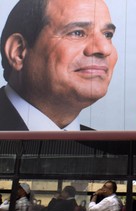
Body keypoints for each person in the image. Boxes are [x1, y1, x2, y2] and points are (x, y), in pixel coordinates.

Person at [0, 0, 118, 131]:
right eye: (77, 33)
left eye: (108, 35)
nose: (105, 48)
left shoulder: (118, 149)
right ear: (18, 51)